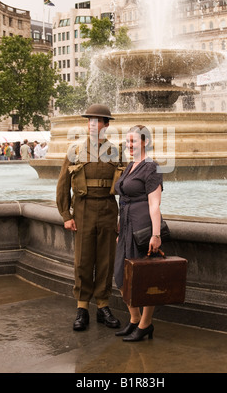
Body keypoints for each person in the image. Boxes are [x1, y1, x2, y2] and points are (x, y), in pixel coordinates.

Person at [56, 104, 124, 332]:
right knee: (83, 260)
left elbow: (125, 188)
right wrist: (66, 214)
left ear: (106, 125)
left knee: (106, 260)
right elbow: (63, 185)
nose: (93, 125)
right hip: (83, 210)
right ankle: (82, 307)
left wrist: (121, 218)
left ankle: (103, 306)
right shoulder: (74, 150)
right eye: (90, 120)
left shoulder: (117, 151)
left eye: (98, 121)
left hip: (107, 209)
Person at [114, 125, 163, 342]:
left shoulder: (151, 167)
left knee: (145, 279)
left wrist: (156, 234)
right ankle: (134, 318)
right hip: (126, 226)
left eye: (133, 141)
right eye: (127, 141)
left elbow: (154, 204)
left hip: (142, 228)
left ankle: (145, 324)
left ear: (144, 142)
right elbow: (123, 197)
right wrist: (120, 226)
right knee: (121, 276)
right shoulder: (131, 166)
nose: (129, 145)